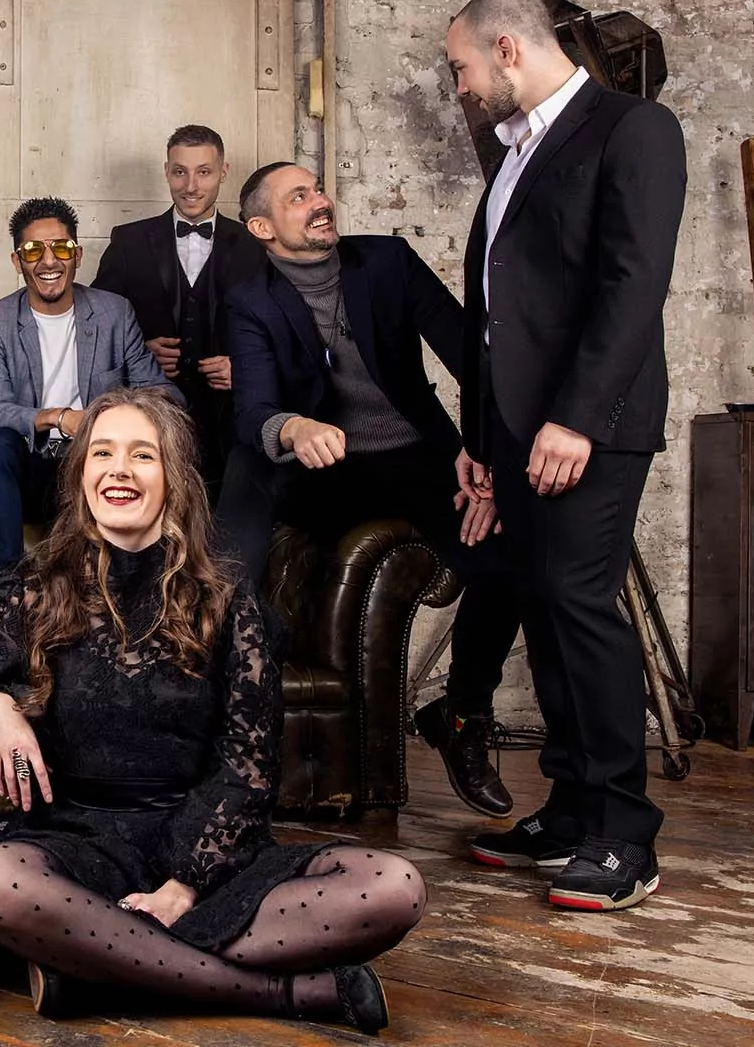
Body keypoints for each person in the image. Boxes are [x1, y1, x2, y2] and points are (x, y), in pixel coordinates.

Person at [0, 387, 420, 1033]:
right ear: (79, 474)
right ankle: (283, 994)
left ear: (174, 479)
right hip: (78, 846)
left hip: (204, 841)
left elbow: (249, 766)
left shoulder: (226, 598)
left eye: (143, 455)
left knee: (393, 887)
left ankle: (100, 964)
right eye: (102, 453)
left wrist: (184, 884)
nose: (119, 470)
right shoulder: (32, 585)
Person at [445, 0, 686, 911]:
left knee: (581, 610)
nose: (461, 87)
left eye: (462, 67)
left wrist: (578, 418)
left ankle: (625, 835)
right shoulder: (515, 150)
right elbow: (496, 313)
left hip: (591, 427)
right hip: (516, 432)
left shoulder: (633, 130)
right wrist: (478, 441)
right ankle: (573, 808)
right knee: (542, 610)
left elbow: (634, 287)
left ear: (507, 49)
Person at [217, 161, 524, 819]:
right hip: (326, 469)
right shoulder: (250, 299)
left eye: (318, 189)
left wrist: (486, 455)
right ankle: (226, 652)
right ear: (263, 228)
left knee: (507, 564)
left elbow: (471, 355)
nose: (320, 201)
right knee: (248, 465)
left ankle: (461, 715)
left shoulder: (386, 262)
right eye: (299, 197)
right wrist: (293, 427)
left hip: (414, 457)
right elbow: (253, 408)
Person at [0, 198, 180, 570]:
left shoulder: (114, 314)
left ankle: (138, 578)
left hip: (93, 465)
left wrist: (109, 419)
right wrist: (59, 417)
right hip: (30, 470)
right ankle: (4, 582)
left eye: (61, 248)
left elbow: (164, 393)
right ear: (17, 261)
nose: (49, 261)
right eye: (33, 250)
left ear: (78, 255)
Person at [91, 125, 264, 495]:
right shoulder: (128, 241)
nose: (191, 186)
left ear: (224, 172)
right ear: (166, 171)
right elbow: (95, 325)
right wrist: (138, 355)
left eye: (204, 172)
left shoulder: (256, 245)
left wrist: (245, 367)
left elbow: (283, 327)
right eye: (180, 172)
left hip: (231, 416)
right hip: (151, 416)